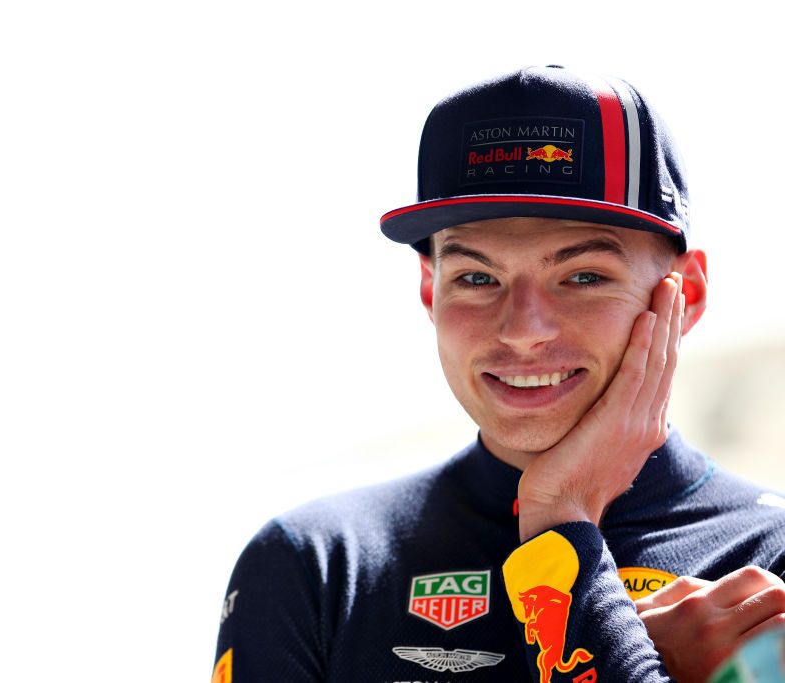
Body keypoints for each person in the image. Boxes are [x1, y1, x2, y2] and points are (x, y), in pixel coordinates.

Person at [211, 66, 785, 683]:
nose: (522, 330)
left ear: (685, 294)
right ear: (431, 292)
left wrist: (560, 516)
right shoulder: (320, 564)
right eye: (478, 278)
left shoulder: (770, 560)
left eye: (583, 276)